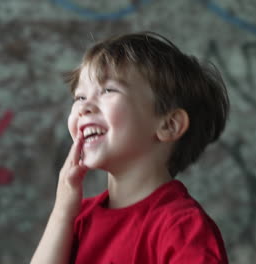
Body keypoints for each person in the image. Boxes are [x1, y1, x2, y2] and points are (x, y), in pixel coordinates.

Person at [30, 31, 230, 264]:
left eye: (108, 90)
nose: (84, 108)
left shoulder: (182, 228)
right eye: (80, 97)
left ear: (169, 125)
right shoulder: (77, 218)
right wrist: (62, 212)